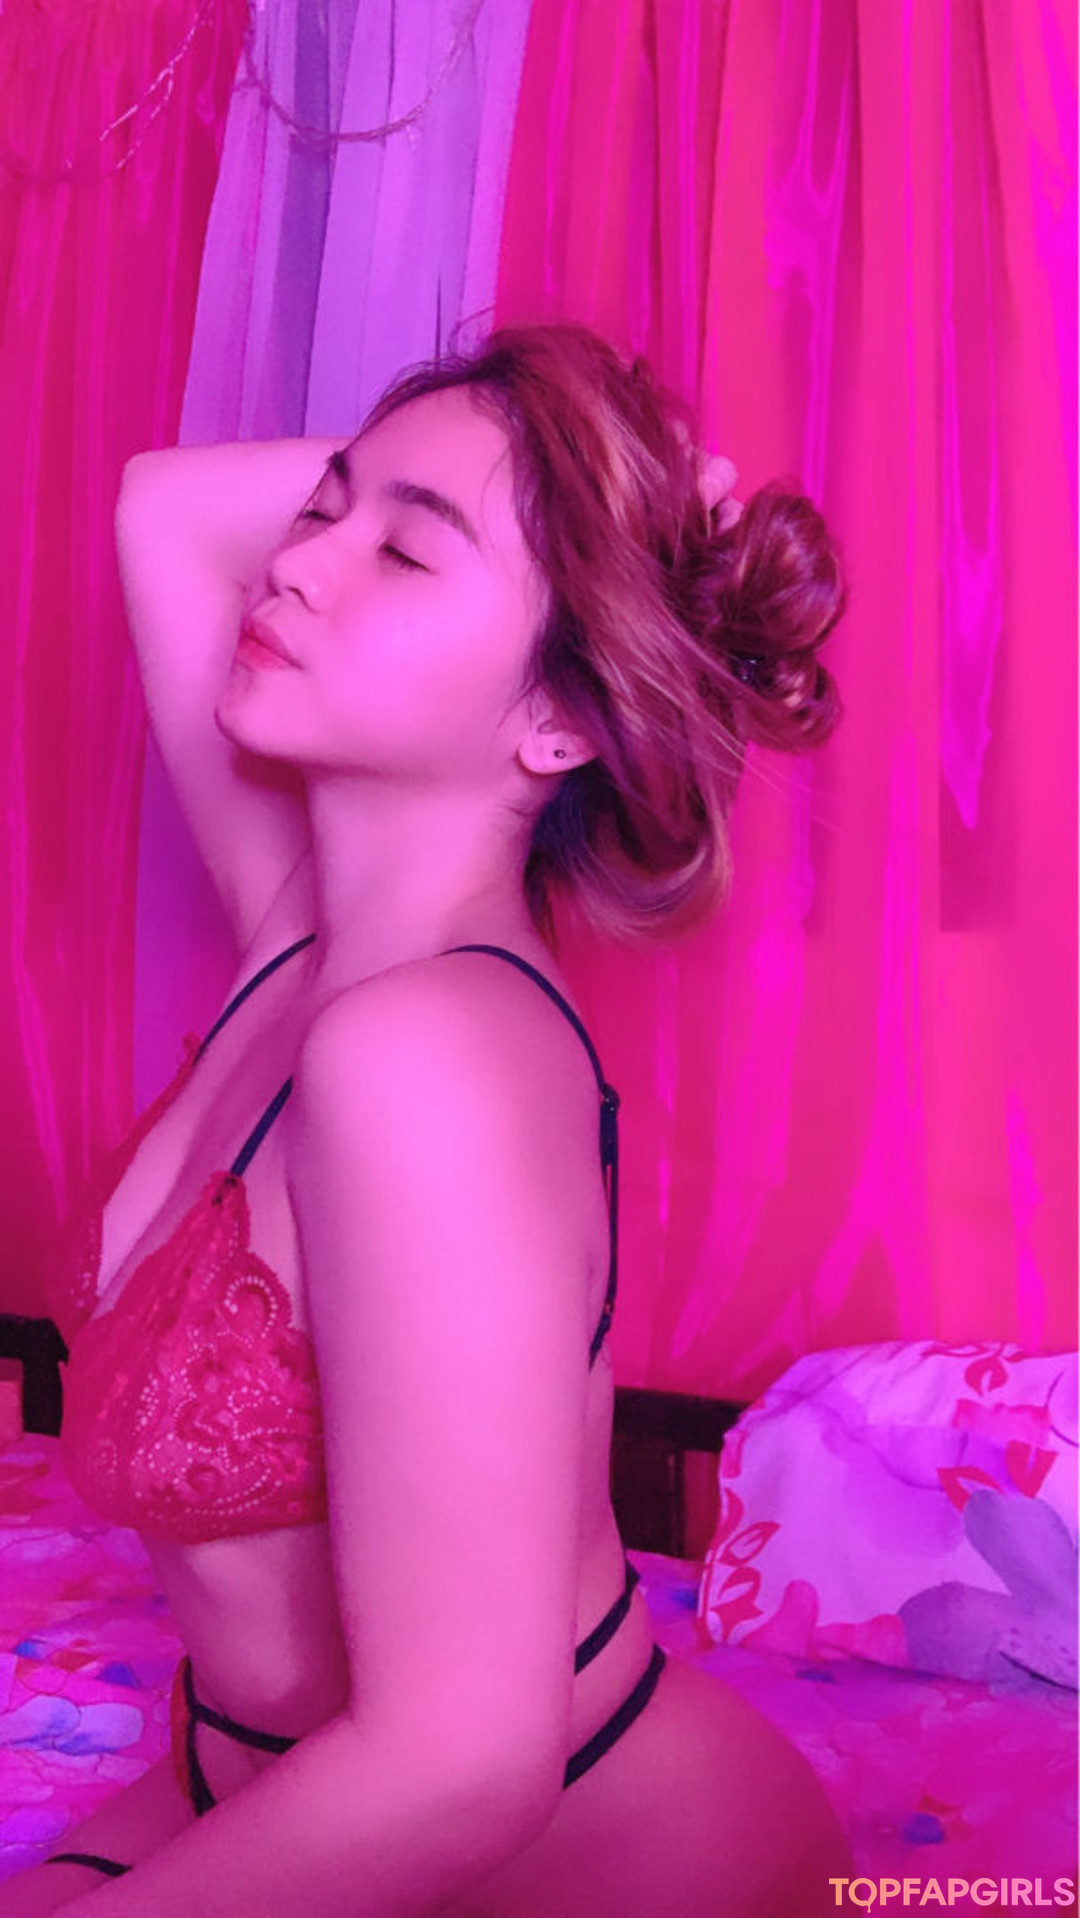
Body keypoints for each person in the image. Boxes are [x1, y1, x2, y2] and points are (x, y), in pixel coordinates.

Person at [4, 319, 852, 1915]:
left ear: (562, 721)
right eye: (321, 508)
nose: (297, 560)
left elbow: (462, 1765)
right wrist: (614, 487)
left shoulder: (425, 1056)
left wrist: (610, 534)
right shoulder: (303, 938)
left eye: (403, 552)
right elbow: (162, 506)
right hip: (244, 1779)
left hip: (564, 1864)